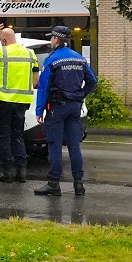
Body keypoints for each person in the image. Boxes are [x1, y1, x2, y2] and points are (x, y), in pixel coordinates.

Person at [32, 25, 92, 196]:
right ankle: (78, 184)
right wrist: (80, 95)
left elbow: (44, 87)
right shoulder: (79, 58)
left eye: (52, 38)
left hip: (56, 108)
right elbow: (92, 81)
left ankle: (53, 184)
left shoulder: (52, 60)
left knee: (55, 146)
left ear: (56, 39)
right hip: (74, 107)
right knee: (74, 145)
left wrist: (39, 110)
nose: (51, 41)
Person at [0, 24, 37, 183]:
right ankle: (21, 172)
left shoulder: (0, 51)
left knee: (3, 136)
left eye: (0, 40)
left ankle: (6, 172)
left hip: (3, 102)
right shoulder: (30, 53)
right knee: (18, 136)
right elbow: (36, 79)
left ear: (4, 41)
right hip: (21, 102)